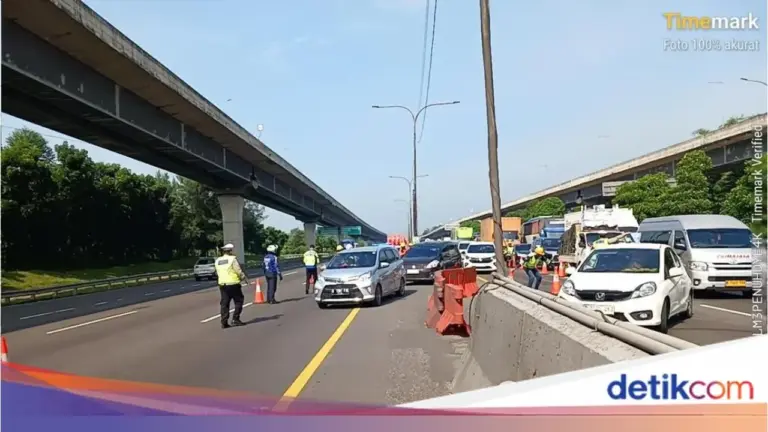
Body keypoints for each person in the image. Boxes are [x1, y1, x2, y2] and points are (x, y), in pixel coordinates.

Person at [214, 243, 250, 329]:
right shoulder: (232, 259)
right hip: (233, 283)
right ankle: (235, 319)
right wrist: (244, 278)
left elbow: (216, 272)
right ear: (230, 251)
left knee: (225, 303)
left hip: (222, 284)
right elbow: (238, 270)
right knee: (239, 301)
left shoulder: (218, 260)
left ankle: (224, 322)